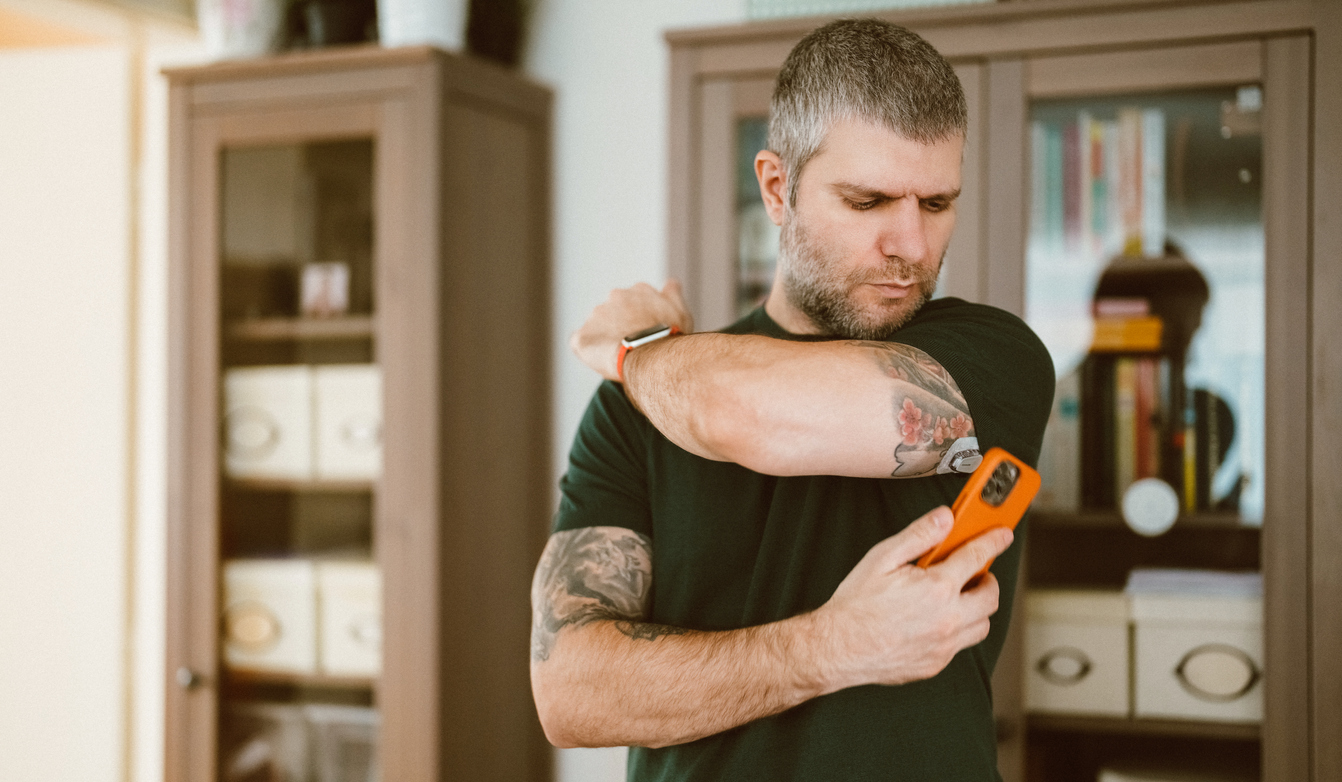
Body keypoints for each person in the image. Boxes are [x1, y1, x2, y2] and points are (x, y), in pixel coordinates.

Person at [530, 18, 1055, 781]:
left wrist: (633, 350)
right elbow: (571, 693)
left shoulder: (993, 360)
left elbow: (748, 413)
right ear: (777, 188)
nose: (909, 244)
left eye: (937, 204)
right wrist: (829, 648)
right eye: (868, 201)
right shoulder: (637, 411)